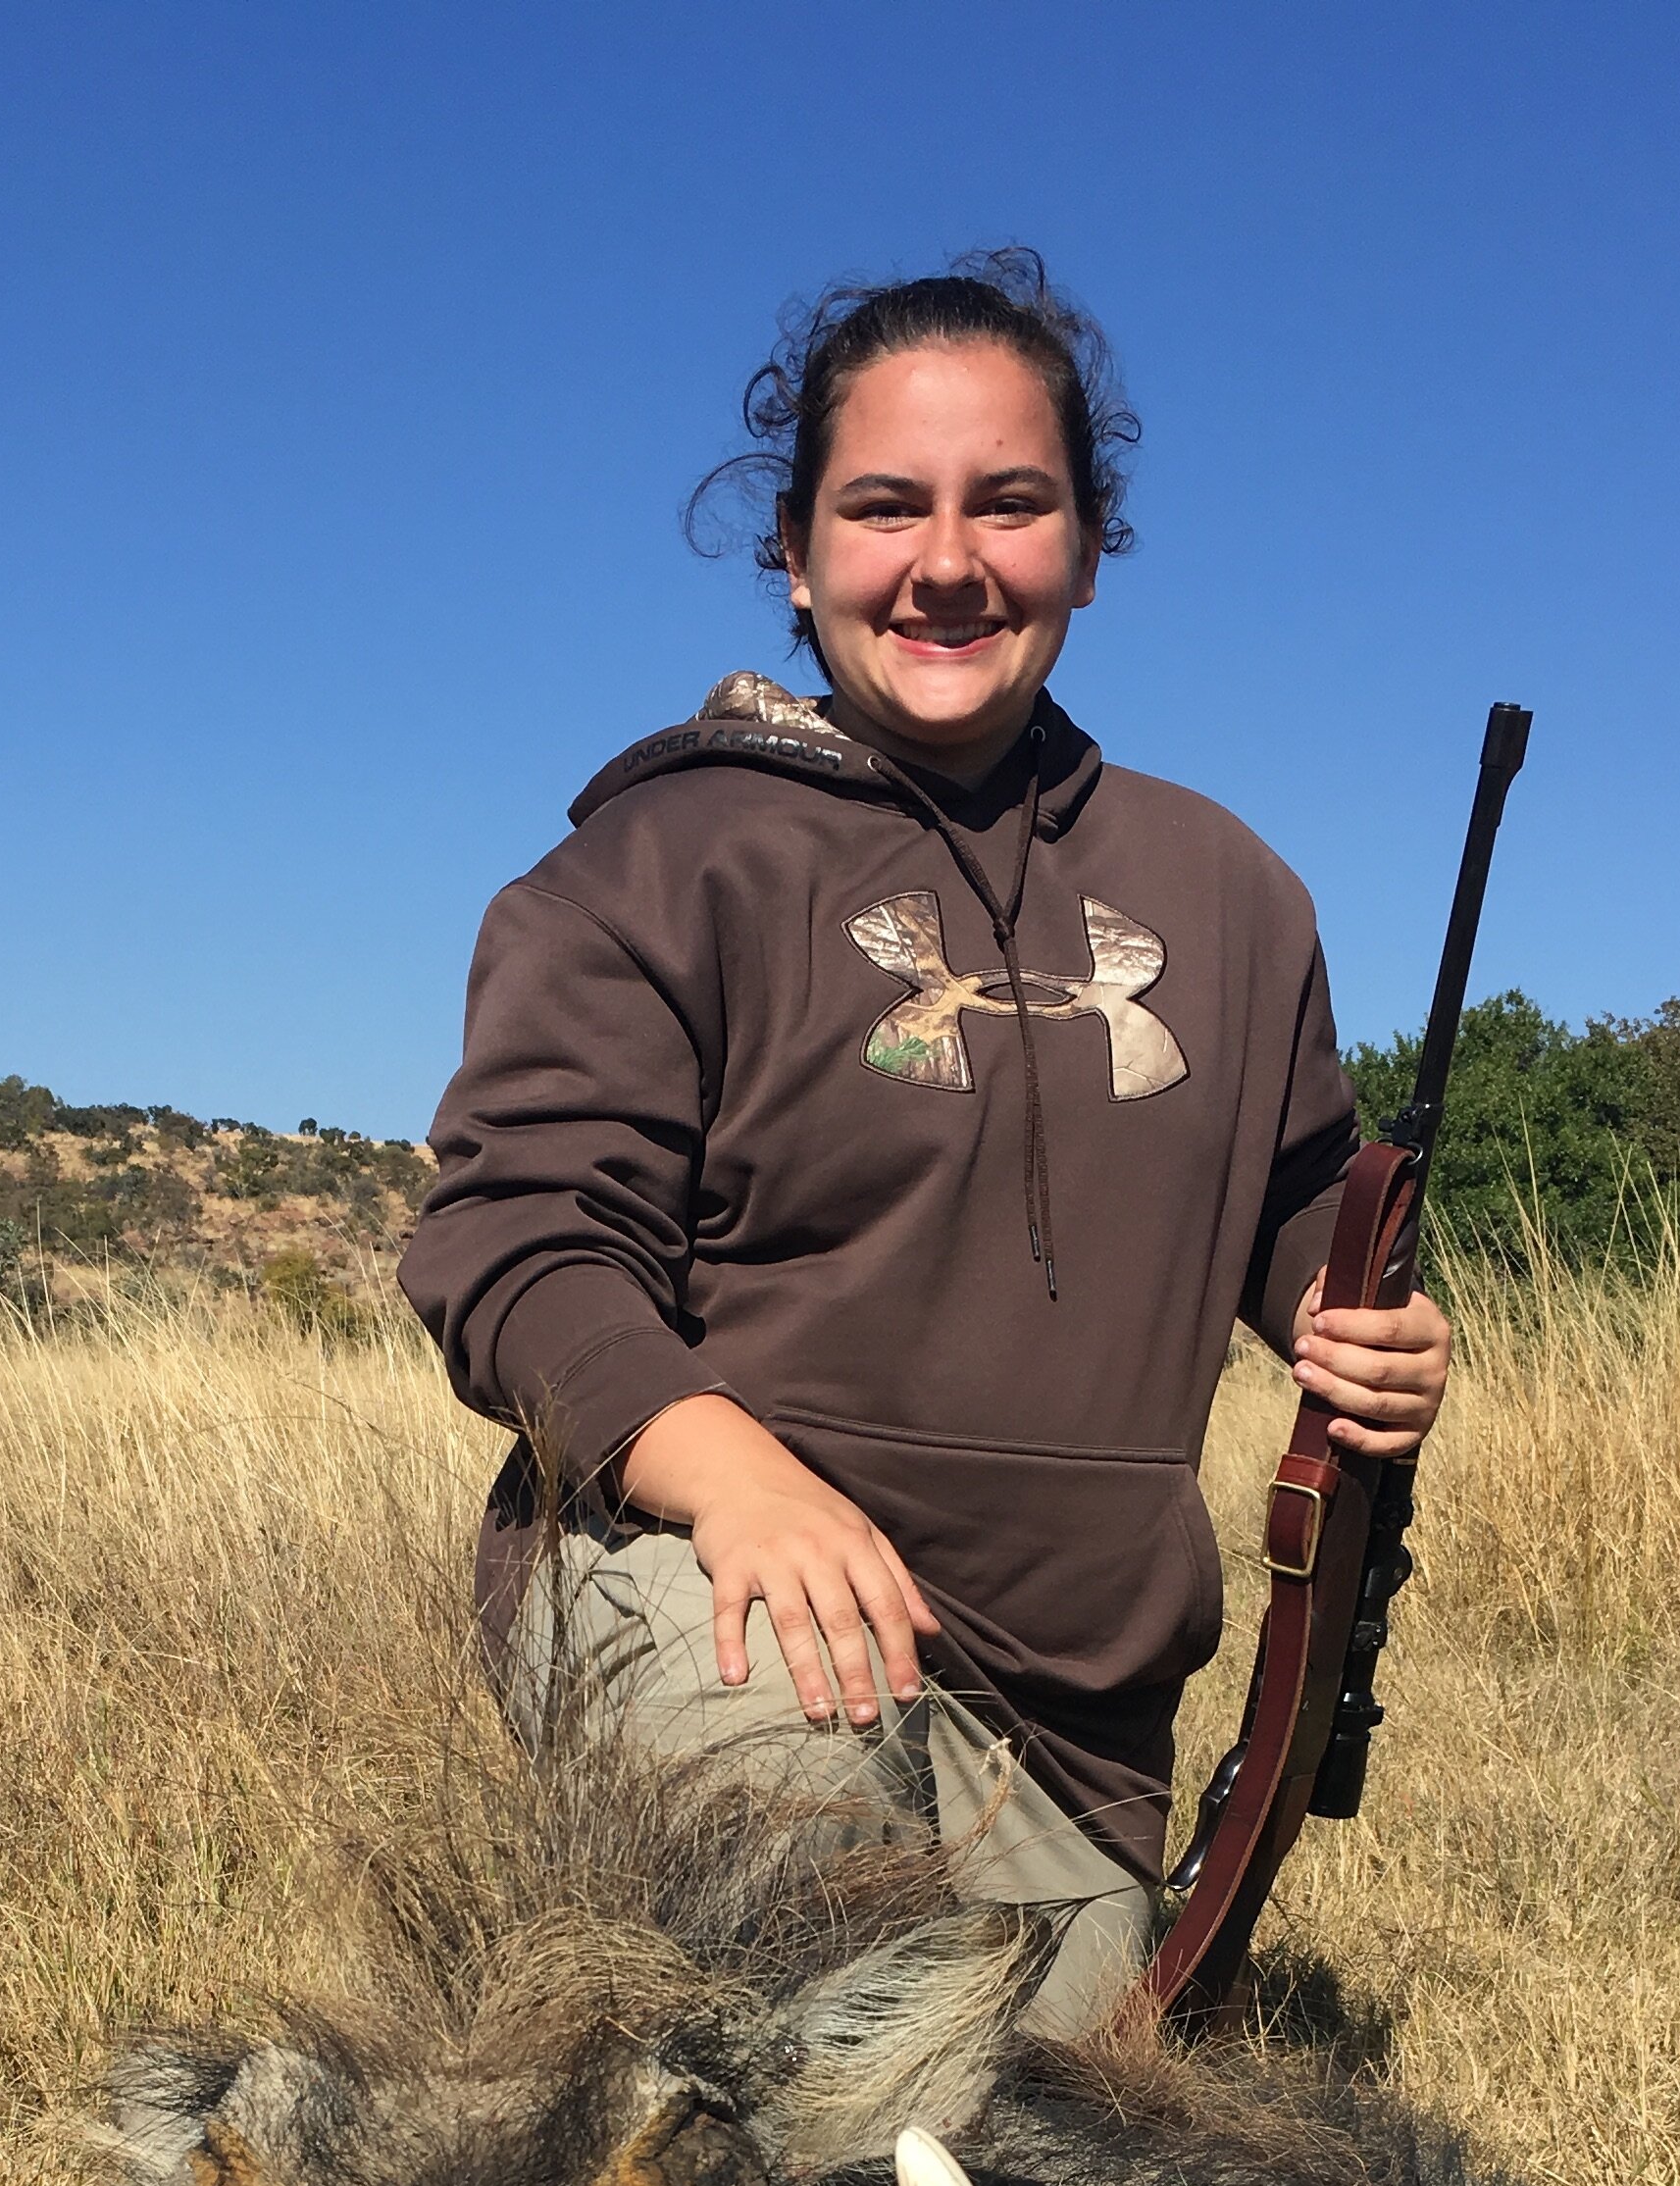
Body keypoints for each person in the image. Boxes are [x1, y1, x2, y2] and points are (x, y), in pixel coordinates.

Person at [402, 253, 1450, 2032]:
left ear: (1089, 549)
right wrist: (739, 1479)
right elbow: (511, 1246)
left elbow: (1288, 1188)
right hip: (738, 1603)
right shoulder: (659, 861)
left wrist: (1356, 1322)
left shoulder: (1234, 891)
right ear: (798, 553)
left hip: (1078, 1717)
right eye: (884, 506)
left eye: (1011, 505)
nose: (948, 562)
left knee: (1064, 2150)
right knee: (842, 2075)